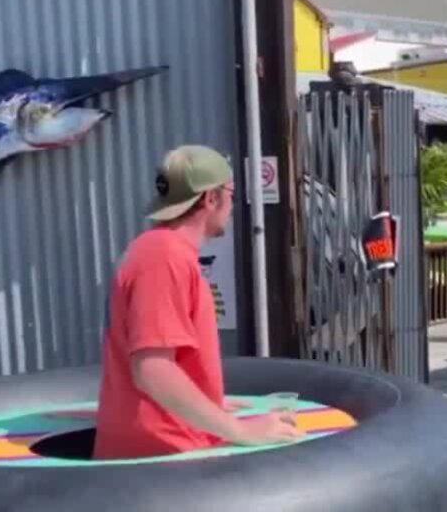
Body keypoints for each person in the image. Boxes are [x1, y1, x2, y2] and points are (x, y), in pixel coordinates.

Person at [93, 145, 302, 460]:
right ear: (211, 198)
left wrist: (210, 401)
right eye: (230, 193)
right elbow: (153, 370)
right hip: (161, 464)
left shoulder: (163, 253)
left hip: (169, 456)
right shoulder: (163, 257)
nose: (232, 205)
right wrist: (241, 430)